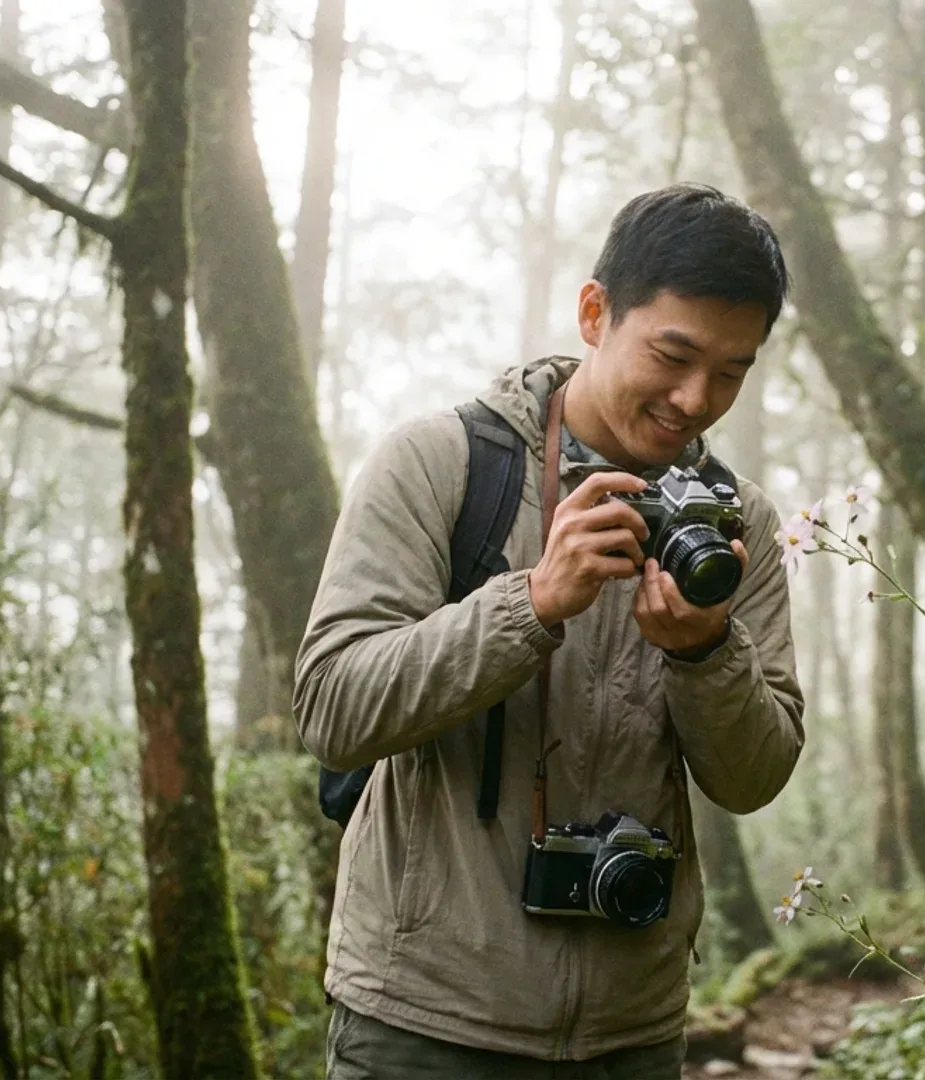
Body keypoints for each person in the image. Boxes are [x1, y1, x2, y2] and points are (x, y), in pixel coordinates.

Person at [295, 183, 805, 1079]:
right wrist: (529, 603)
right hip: (424, 1021)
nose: (696, 398)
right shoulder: (441, 465)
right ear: (595, 311)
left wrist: (704, 652)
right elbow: (334, 708)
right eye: (674, 354)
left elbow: (754, 777)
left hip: (632, 1032)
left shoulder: (735, 526)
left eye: (732, 370)